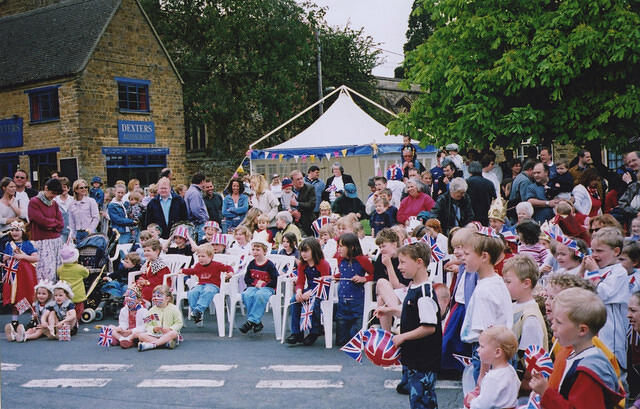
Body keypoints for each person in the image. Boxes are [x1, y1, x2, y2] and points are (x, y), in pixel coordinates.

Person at [530, 287, 625, 407]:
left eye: (559, 322)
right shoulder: (576, 355)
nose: (553, 327)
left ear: (582, 330)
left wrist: (545, 392)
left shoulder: (587, 372)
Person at [459, 228, 513, 383]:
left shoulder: (484, 290)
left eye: (467, 254)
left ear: (484, 256)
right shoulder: (496, 281)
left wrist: (483, 374)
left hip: (488, 357)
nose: (464, 258)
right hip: (499, 353)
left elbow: (487, 334)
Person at [581, 227, 630, 370]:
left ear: (616, 251)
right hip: (591, 327)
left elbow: (603, 294)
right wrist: (583, 270)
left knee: (613, 371)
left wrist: (593, 272)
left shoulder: (619, 272)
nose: (595, 255)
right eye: (593, 250)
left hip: (610, 334)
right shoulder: (592, 269)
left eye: (600, 251)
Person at [286, 238, 331, 346]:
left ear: (314, 250)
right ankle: (297, 333)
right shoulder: (303, 264)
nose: (303, 254)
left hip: (322, 291)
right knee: (294, 300)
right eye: (302, 251)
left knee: (315, 302)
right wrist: (299, 292)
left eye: (306, 251)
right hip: (310, 289)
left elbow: (325, 283)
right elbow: (301, 280)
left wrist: (310, 293)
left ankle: (314, 332)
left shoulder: (323, 264)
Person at [465, 326, 519, 409]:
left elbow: (483, 405)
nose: (478, 350)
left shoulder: (492, 378)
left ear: (497, 352)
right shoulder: (511, 370)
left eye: (482, 347)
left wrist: (472, 401)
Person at [334, 233, 374, 346]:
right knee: (341, 341)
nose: (339, 249)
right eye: (338, 246)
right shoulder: (340, 259)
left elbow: (374, 274)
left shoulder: (363, 260)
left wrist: (364, 278)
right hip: (342, 301)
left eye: (342, 246)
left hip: (357, 301)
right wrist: (334, 277)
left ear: (351, 247)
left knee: (355, 340)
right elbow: (343, 273)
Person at [180, 243, 233, 326]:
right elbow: (192, 271)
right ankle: (197, 314)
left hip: (213, 285)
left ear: (211, 257)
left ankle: (199, 309)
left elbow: (228, 267)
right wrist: (183, 271)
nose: (200, 258)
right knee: (192, 292)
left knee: (208, 291)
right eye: (199, 256)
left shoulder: (216, 265)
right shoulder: (198, 265)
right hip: (201, 284)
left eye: (203, 256)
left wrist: (230, 273)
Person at [2, 221, 38, 339]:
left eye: (17, 230)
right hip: (12, 277)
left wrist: (23, 256)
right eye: (12, 230)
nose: (14, 232)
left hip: (25, 277)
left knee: (29, 296)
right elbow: (6, 259)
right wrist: (5, 259)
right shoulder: (9, 244)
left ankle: (34, 319)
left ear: (22, 231)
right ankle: (14, 321)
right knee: (15, 299)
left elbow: (35, 258)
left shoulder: (27, 244)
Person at [239, 237, 279, 334]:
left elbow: (276, 279)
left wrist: (265, 284)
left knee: (260, 295)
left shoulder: (269, 265)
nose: (255, 252)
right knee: (246, 295)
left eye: (258, 250)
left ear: (264, 251)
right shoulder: (252, 263)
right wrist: (255, 283)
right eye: (253, 249)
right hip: (253, 286)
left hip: (268, 288)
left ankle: (250, 321)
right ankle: (256, 322)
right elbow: (247, 278)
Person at [28, 178, 64, 282]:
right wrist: (54, 224)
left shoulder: (54, 203)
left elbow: (61, 223)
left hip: (56, 241)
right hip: (42, 241)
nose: (54, 196)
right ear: (46, 188)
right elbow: (41, 221)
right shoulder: (34, 202)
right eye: (52, 193)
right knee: (46, 272)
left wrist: (52, 225)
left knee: (58, 271)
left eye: (56, 194)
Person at [137, 285, 183, 351]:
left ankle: (151, 345)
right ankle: (165, 343)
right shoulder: (151, 310)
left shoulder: (174, 309)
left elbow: (179, 323)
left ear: (167, 298)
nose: (155, 298)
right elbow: (147, 324)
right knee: (141, 336)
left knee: (174, 333)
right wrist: (153, 329)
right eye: (154, 296)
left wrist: (170, 329)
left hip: (168, 334)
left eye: (159, 296)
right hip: (155, 335)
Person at [56, 245, 89, 320]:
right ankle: (76, 319)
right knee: (79, 309)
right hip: (78, 295)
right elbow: (86, 274)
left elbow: (58, 275)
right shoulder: (80, 268)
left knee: (67, 309)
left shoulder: (60, 269)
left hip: (66, 295)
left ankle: (67, 319)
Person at [136, 239, 172, 303]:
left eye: (148, 251)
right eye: (144, 251)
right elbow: (144, 274)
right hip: (148, 284)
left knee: (146, 290)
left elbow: (160, 280)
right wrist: (141, 281)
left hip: (160, 286)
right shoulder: (148, 263)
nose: (145, 253)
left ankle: (144, 304)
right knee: (134, 288)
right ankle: (130, 306)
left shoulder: (160, 265)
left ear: (157, 251)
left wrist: (147, 282)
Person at [465, 161, 496, 226]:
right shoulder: (489, 183)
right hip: (485, 215)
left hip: (470, 216)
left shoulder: (466, 183)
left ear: (469, 171)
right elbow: (494, 199)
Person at [289, 170, 316, 236]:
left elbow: (312, 204)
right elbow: (282, 205)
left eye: (301, 178)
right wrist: (292, 212)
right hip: (292, 221)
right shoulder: (288, 190)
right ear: (292, 181)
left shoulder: (310, 188)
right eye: (298, 179)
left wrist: (297, 204)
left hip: (307, 221)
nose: (300, 181)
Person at [184, 173, 209, 241]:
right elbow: (196, 210)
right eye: (205, 181)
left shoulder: (191, 191)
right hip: (198, 224)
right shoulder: (195, 193)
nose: (205, 184)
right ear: (202, 181)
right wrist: (204, 219)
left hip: (194, 224)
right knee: (201, 244)